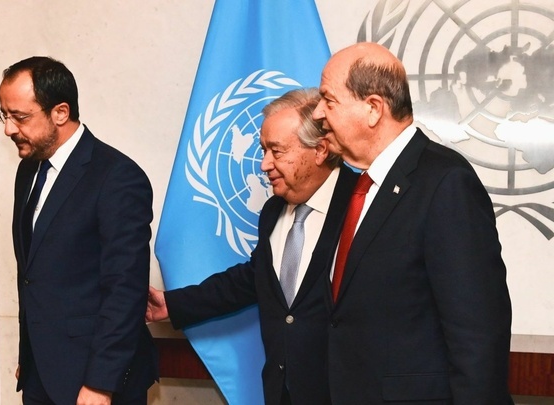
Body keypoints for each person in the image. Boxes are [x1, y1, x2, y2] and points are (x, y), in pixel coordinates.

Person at [311, 42, 513, 404]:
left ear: (373, 108)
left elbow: (478, 335)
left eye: (328, 100)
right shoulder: (358, 187)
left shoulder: (446, 182)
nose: (317, 113)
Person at [147, 88, 359, 404]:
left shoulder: (364, 204)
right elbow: (253, 279)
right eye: (263, 150)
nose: (263, 164)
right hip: (281, 392)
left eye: (276, 151)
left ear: (320, 149)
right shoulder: (273, 210)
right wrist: (173, 305)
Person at [0, 56, 157, 405]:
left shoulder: (117, 177)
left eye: (20, 117)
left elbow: (125, 290)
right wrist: (31, 358)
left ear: (60, 112)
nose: (8, 129)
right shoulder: (29, 170)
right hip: (41, 376)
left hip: (96, 381)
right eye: (4, 116)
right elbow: (34, 276)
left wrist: (101, 383)